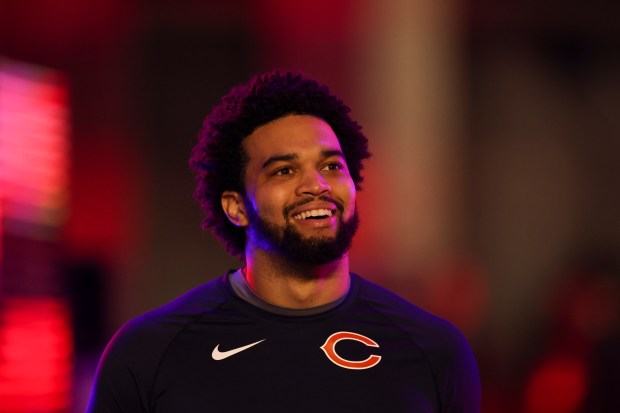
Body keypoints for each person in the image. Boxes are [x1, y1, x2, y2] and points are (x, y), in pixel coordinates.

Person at [86, 70, 481, 412]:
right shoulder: (148, 353)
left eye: (331, 166)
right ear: (236, 207)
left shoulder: (434, 350)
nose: (317, 185)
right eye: (284, 171)